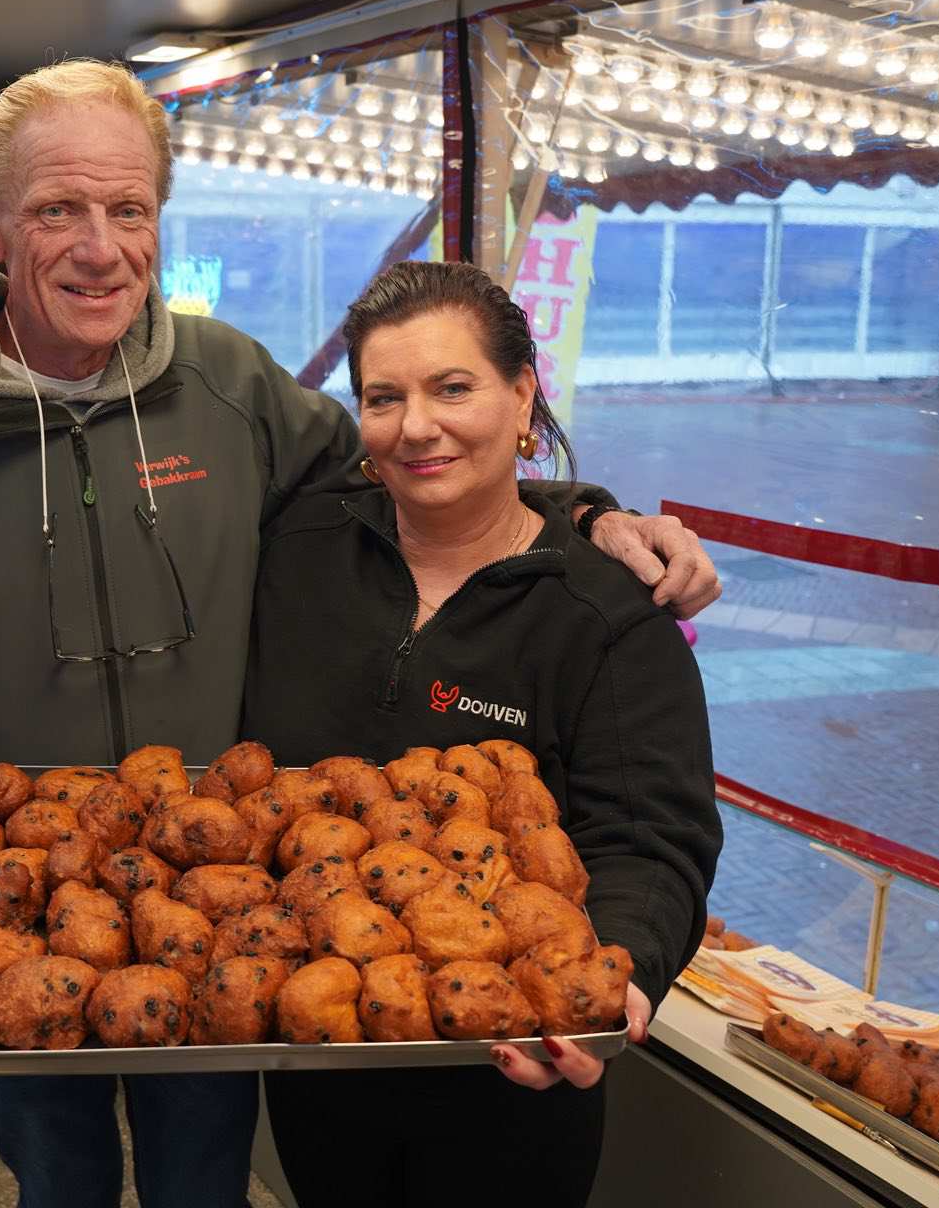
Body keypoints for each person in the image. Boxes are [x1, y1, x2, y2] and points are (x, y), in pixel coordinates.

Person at [0, 60, 721, 1208]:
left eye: (130, 210)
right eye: (59, 209)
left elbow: (419, 470)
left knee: (201, 1177)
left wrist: (583, 517)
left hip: (215, 900)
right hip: (2, 902)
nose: (98, 246)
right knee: (57, 1174)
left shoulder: (229, 384)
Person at [242, 261, 721, 1208]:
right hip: (325, 1051)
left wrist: (621, 969)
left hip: (510, 1072)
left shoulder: (603, 617)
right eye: (384, 397)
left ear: (521, 396)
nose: (416, 426)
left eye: (452, 387)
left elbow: (651, 839)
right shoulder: (295, 553)